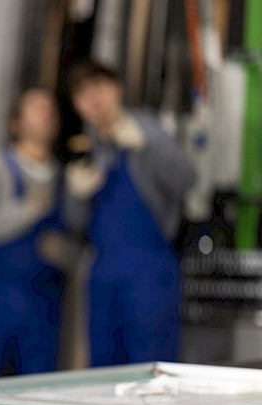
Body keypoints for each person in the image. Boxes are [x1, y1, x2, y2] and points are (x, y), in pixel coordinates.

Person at [64, 61, 196, 367]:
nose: (93, 98)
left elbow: (187, 178)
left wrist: (147, 147)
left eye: (99, 87)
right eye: (83, 93)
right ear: (76, 105)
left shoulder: (146, 129)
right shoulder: (86, 148)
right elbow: (74, 223)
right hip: (102, 271)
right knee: (103, 368)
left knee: (151, 366)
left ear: (117, 89)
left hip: (148, 269)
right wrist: (75, 196)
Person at [0, 88, 67, 380]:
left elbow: (82, 241)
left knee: (38, 387)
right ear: (16, 123)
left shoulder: (66, 178)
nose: (46, 114)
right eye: (36, 108)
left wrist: (64, 251)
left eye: (50, 109)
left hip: (43, 299)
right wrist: (24, 212)